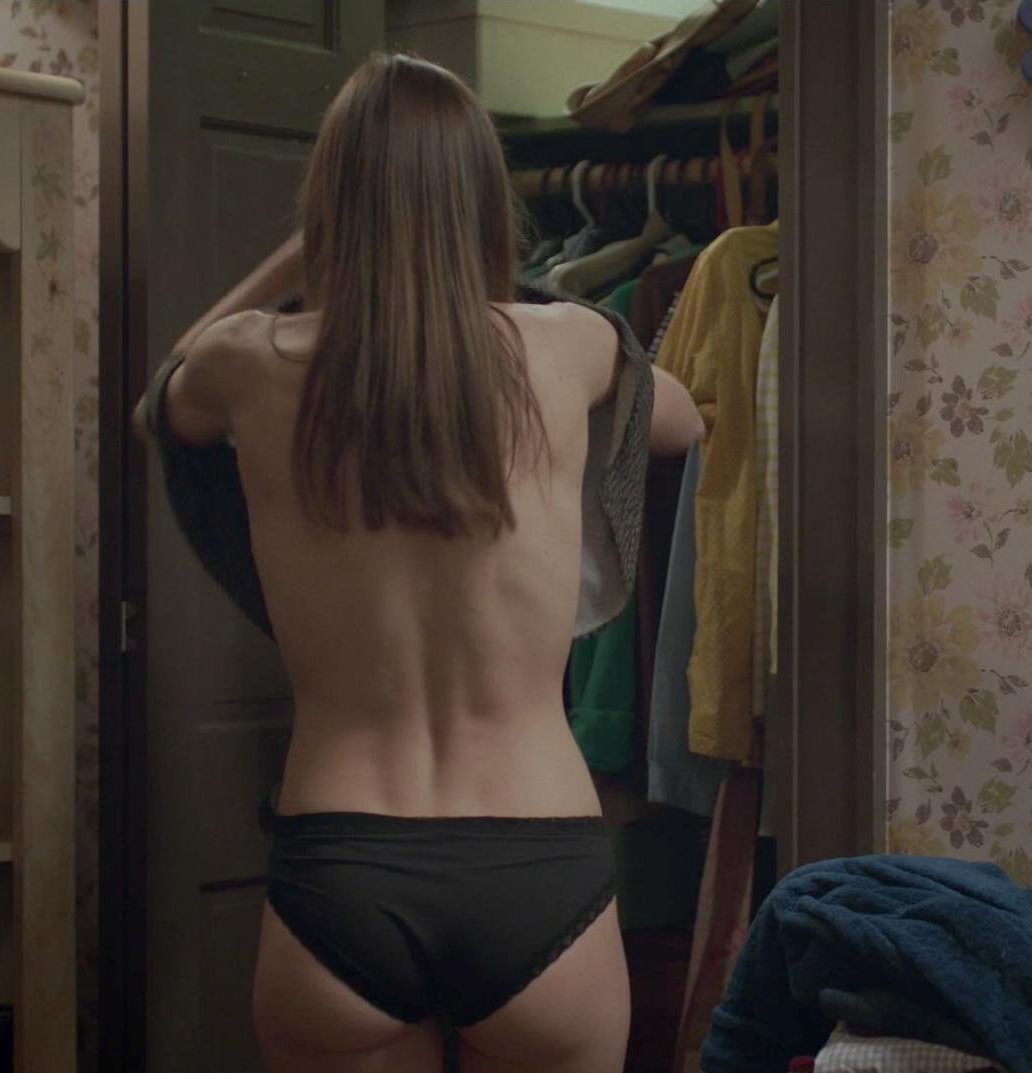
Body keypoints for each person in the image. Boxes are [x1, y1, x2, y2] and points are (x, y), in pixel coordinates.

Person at [136, 53, 703, 1072]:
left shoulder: (252, 363)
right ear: (481, 201)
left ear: (330, 208)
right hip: (537, 855)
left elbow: (163, 397)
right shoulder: (571, 345)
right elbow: (683, 421)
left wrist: (305, 259)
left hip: (343, 861)